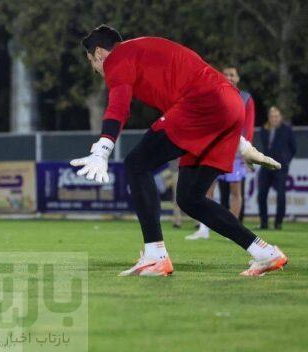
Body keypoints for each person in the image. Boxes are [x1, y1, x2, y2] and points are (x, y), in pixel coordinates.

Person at [71, 25, 286, 277]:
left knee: (136, 164)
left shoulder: (117, 57)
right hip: (228, 104)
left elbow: (119, 107)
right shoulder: (144, 53)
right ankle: (265, 253)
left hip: (203, 104)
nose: (95, 69)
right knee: (190, 198)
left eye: (91, 61)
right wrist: (242, 143)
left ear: (99, 52)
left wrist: (103, 148)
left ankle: (155, 256)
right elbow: (198, 90)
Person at [186, 65, 254, 239]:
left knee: (235, 192)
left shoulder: (246, 98)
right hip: (214, 150)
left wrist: (245, 150)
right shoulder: (215, 95)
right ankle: (204, 229)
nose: (229, 77)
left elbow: (248, 126)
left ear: (238, 78)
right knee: (207, 190)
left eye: (232, 74)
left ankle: (233, 232)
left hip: (235, 152)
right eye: (226, 74)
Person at [258, 106, 296, 230]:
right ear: (269, 118)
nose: (274, 118)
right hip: (266, 166)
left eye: (276, 116)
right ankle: (264, 223)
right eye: (272, 116)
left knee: (281, 195)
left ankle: (278, 223)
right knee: (261, 194)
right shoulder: (264, 129)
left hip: (280, 167)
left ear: (280, 117)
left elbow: (293, 148)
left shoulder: (287, 129)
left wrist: (286, 161)